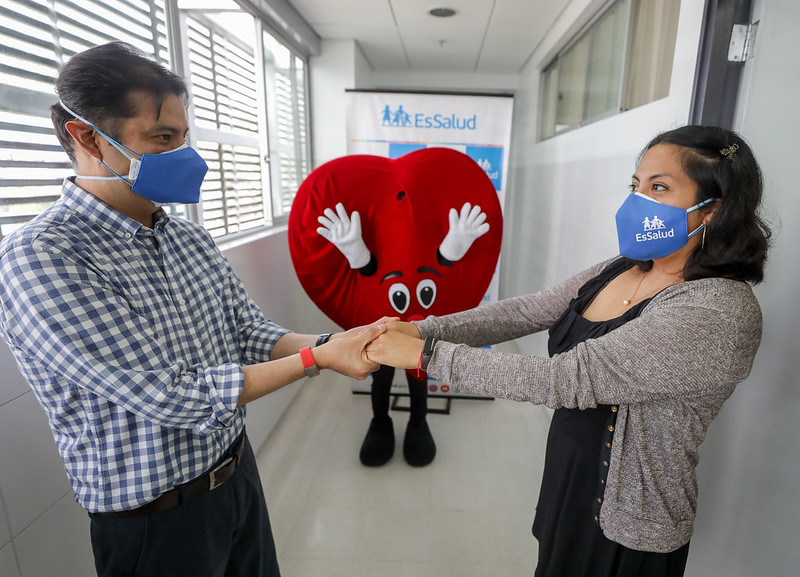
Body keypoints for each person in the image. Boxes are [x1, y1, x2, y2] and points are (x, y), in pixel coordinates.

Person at [0, 41, 384, 577]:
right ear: (87, 136)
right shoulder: (43, 258)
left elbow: (248, 331)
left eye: (183, 137)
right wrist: (318, 360)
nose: (187, 156)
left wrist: (339, 341)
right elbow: (171, 395)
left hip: (236, 478)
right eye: (162, 138)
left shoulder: (186, 238)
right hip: (155, 522)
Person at [365, 125, 771, 577]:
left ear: (713, 210)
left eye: (659, 187)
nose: (637, 201)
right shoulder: (621, 267)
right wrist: (421, 328)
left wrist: (425, 355)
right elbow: (527, 312)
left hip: (630, 521)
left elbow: (565, 378)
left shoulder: (718, 309)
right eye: (635, 185)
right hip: (570, 479)